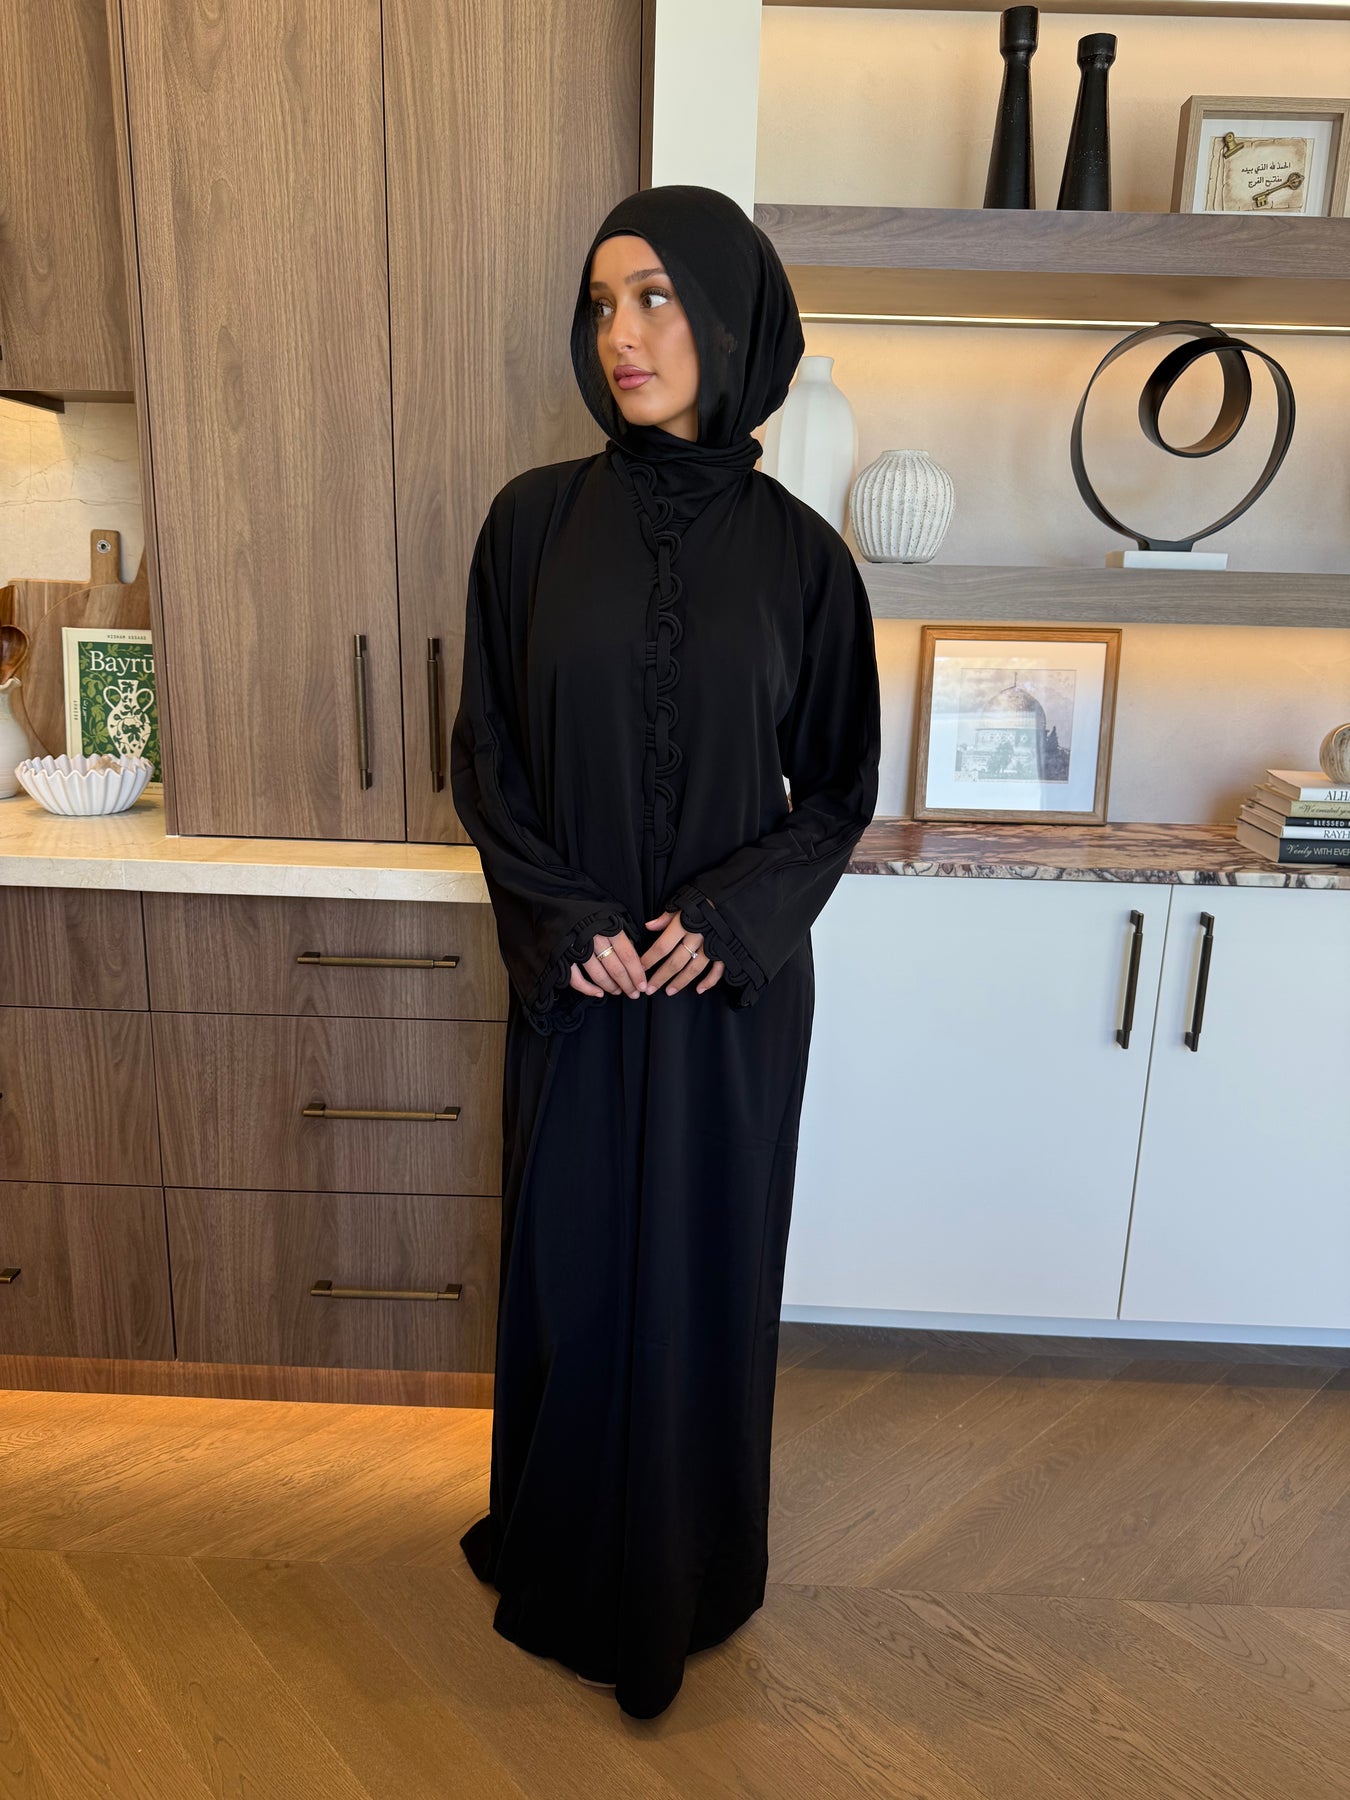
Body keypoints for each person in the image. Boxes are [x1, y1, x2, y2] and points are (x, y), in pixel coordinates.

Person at [450, 182, 882, 1720]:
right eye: (600, 303)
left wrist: (721, 923)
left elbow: (839, 788)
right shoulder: (527, 526)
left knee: (703, 1269)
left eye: (653, 298)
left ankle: (689, 1567)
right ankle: (563, 1555)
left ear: (729, 316)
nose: (621, 335)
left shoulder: (806, 562)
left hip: (720, 999)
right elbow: (487, 756)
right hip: (576, 986)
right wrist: (569, 926)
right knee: (569, 1267)